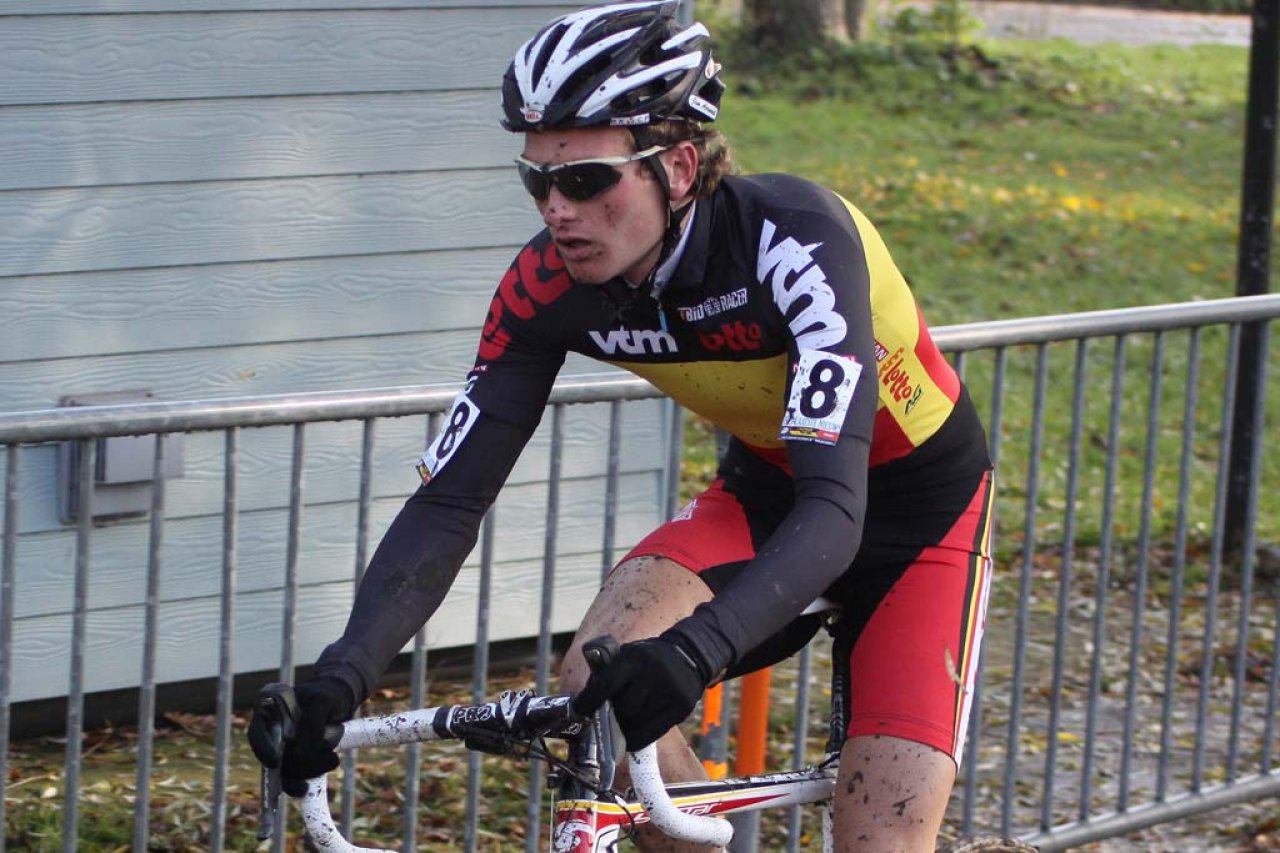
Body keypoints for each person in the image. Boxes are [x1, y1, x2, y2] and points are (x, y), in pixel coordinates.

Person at [249, 2, 995, 850]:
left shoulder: (797, 241)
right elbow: (451, 500)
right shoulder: (545, 286)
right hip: (770, 491)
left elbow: (839, 509)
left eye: (585, 180)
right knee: (597, 671)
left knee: (882, 839)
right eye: (536, 180)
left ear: (678, 165)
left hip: (919, 512)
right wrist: (342, 677)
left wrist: (695, 650)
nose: (555, 209)